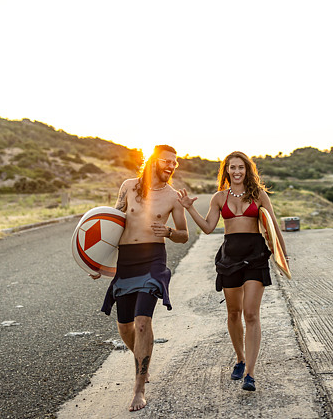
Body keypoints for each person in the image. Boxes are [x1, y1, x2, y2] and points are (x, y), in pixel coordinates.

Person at [177, 151, 289, 392]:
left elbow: (272, 225)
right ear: (226, 171)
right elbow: (208, 228)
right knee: (233, 313)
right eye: (232, 167)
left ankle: (250, 372)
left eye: (241, 167)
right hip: (230, 256)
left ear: (247, 170)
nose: (237, 171)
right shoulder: (219, 198)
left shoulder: (258, 195)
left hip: (255, 255)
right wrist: (189, 209)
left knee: (251, 314)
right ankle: (239, 358)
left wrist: (282, 255)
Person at [95, 144, 189, 412]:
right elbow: (112, 226)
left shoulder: (172, 196)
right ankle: (141, 357)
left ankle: (139, 388)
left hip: (153, 259)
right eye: (167, 161)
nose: (172, 166)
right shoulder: (128, 186)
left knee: (142, 322)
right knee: (125, 326)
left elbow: (184, 235)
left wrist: (169, 231)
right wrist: (98, 262)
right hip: (127, 260)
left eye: (175, 162)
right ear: (153, 161)